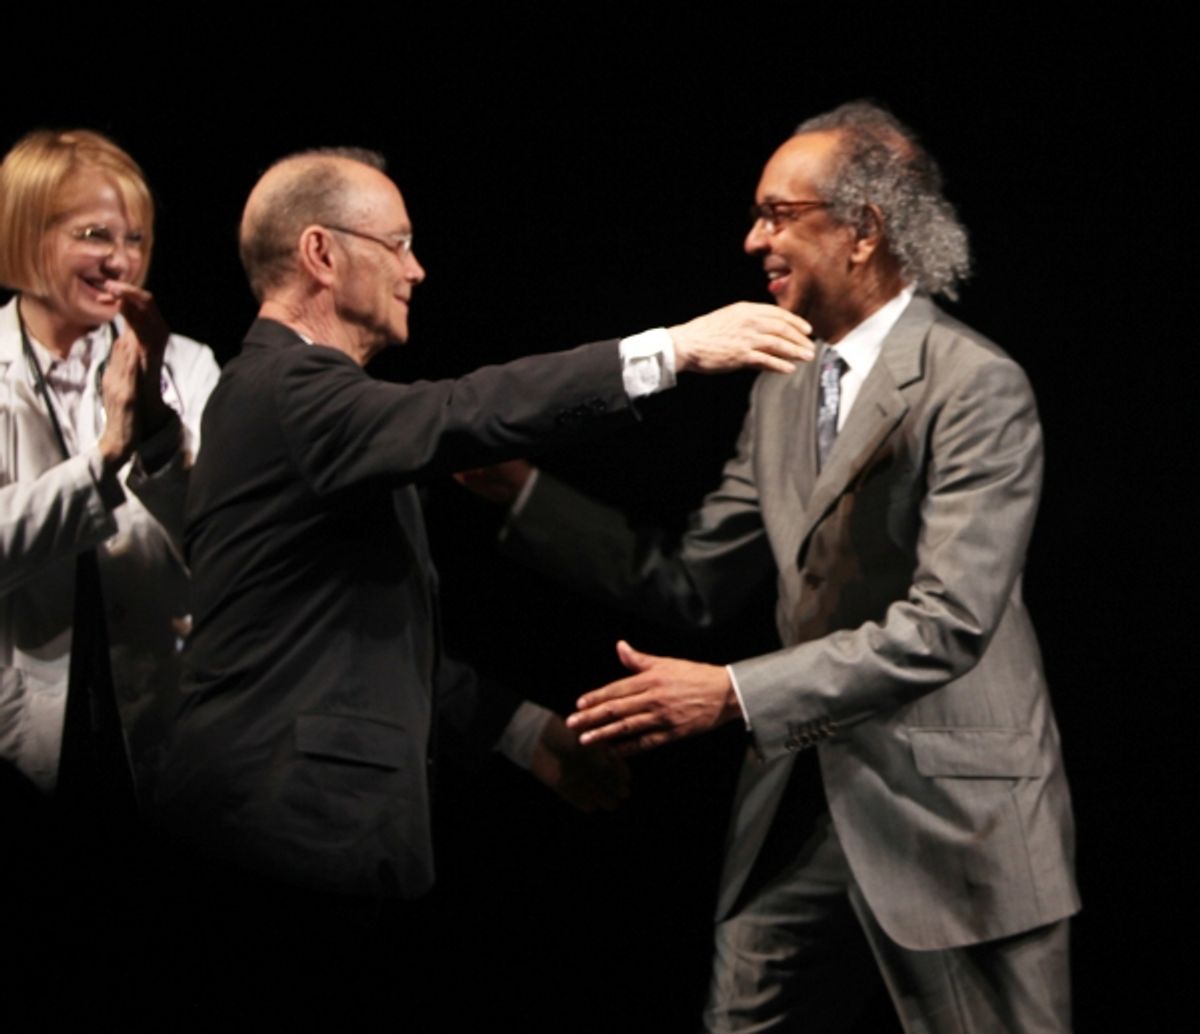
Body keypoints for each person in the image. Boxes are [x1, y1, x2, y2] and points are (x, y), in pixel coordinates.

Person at [465, 102, 1079, 1031]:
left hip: (954, 810)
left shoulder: (973, 384)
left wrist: (733, 696)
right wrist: (522, 495)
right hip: (812, 795)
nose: (755, 239)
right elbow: (691, 582)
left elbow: (948, 623)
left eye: (778, 214)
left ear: (864, 228)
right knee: (742, 1006)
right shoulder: (782, 386)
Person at [154, 146, 814, 908]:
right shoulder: (282, 387)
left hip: (305, 825)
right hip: (281, 824)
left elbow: (356, 641)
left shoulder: (301, 408)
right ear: (320, 253)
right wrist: (671, 350)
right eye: (397, 245)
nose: (417, 270)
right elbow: (461, 411)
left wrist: (522, 730)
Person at [0, 129, 219, 810]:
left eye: (136, 241)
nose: (121, 262)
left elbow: (217, 544)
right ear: (25, 233)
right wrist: (102, 461)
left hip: (160, 725)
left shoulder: (186, 364)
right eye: (97, 235)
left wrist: (154, 435)